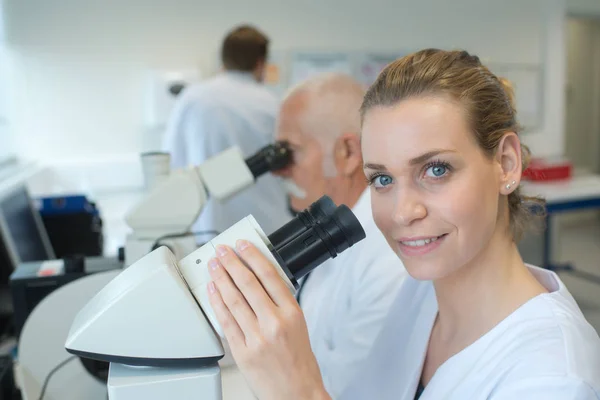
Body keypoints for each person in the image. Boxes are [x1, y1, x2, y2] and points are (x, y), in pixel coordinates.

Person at [203, 48, 600, 400]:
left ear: (506, 164)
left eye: (436, 169)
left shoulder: (552, 378)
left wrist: (299, 391)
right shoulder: (419, 296)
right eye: (382, 179)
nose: (402, 212)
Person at [269, 72, 407, 397]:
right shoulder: (332, 231)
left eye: (290, 152)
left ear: (346, 152)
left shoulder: (390, 258)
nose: (279, 170)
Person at [161, 24, 290, 236]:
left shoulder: (191, 98)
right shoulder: (271, 104)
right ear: (260, 63)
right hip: (264, 228)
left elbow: (170, 160)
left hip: (205, 229)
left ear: (223, 59)